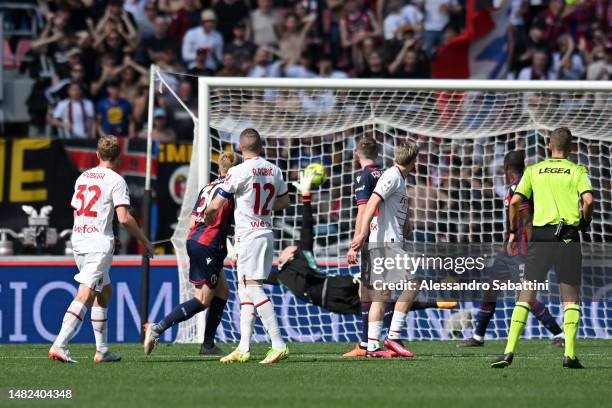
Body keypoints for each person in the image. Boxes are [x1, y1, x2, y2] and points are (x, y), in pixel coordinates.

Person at [491, 128, 594, 369]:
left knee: (526, 293)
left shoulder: (534, 170)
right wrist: (584, 222)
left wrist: (514, 231)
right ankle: (569, 354)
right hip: (568, 236)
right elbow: (588, 200)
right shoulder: (578, 171)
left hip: (541, 237)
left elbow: (515, 201)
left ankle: (508, 352)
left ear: (549, 146)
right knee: (570, 298)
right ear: (571, 148)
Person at [48, 136, 154, 364]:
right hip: (98, 243)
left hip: (80, 238)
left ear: (97, 154)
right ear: (119, 157)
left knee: (104, 292)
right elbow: (124, 218)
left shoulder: (83, 177)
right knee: (85, 293)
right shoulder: (116, 180)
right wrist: (144, 240)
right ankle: (60, 345)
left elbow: (77, 210)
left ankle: (102, 350)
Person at [458, 151, 564, 348]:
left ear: (506, 168)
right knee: (491, 289)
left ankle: (559, 334)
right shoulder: (524, 185)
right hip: (510, 249)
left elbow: (528, 220)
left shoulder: (520, 188)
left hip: (521, 250)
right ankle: (478, 337)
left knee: (526, 296)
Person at [204, 128, 290, 365]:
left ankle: (278, 344)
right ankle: (243, 347)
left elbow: (218, 202)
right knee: (245, 292)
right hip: (265, 231)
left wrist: (208, 214)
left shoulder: (238, 171)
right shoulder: (274, 169)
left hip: (248, 235)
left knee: (251, 288)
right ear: (261, 147)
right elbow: (284, 201)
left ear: (241, 149)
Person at [144, 152, 238, 356]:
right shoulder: (229, 191)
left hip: (196, 240)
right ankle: (157, 328)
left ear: (219, 170)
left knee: (222, 292)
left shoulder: (207, 187)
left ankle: (208, 345)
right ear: (234, 171)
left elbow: (192, 220)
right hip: (209, 245)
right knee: (203, 300)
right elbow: (220, 220)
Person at [351, 140, 420, 358]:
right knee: (414, 284)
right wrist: (362, 234)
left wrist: (405, 221)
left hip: (384, 242)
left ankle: (372, 347)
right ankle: (393, 335)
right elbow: (371, 202)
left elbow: (387, 206)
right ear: (414, 163)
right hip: (386, 243)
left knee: (381, 295)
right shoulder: (391, 176)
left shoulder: (396, 177)